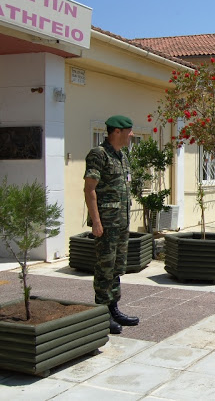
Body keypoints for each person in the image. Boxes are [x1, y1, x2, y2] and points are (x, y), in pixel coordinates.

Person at [84, 115, 139, 334]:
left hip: (120, 222)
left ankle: (113, 308)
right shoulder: (99, 154)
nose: (131, 135)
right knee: (104, 268)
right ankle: (101, 314)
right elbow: (90, 190)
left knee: (116, 268)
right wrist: (96, 222)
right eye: (128, 131)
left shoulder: (121, 156)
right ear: (116, 131)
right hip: (106, 224)